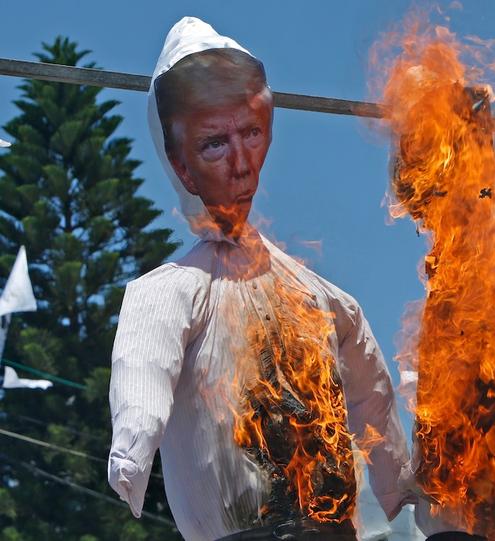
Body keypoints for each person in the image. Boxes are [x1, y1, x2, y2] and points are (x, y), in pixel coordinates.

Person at [107, 17, 412, 541]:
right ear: (179, 164)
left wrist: (400, 488)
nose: (242, 164)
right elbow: (143, 371)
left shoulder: (323, 299)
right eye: (214, 144)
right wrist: (131, 451)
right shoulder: (169, 291)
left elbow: (373, 400)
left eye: (251, 134)